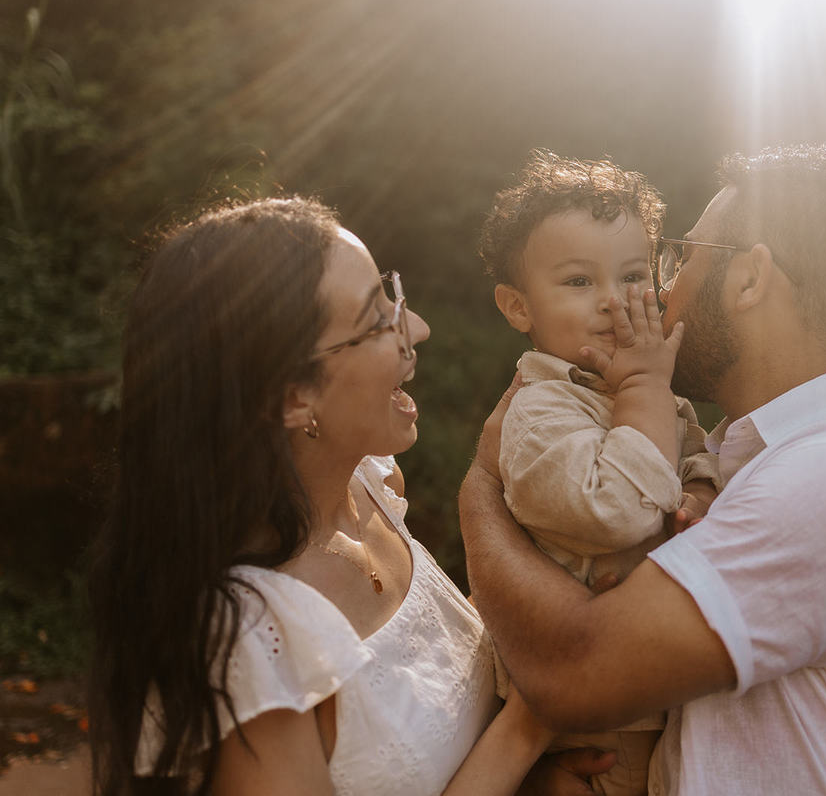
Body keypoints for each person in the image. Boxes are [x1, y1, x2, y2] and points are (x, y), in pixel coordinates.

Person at [459, 145, 826, 795]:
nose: (658, 292)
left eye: (680, 259)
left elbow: (576, 672)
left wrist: (482, 488)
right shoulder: (769, 450)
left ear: (749, 280)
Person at [87, 197, 613, 796]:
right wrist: (530, 722)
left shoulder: (372, 488)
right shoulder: (248, 641)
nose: (418, 328)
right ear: (293, 396)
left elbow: (430, 685)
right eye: (377, 320)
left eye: (393, 296)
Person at [478, 151, 719, 796]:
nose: (615, 301)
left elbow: (697, 457)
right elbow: (613, 512)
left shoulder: (649, 398)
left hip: (650, 694)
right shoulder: (540, 411)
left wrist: (697, 494)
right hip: (587, 731)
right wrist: (644, 388)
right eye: (579, 281)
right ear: (518, 306)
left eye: (634, 275)